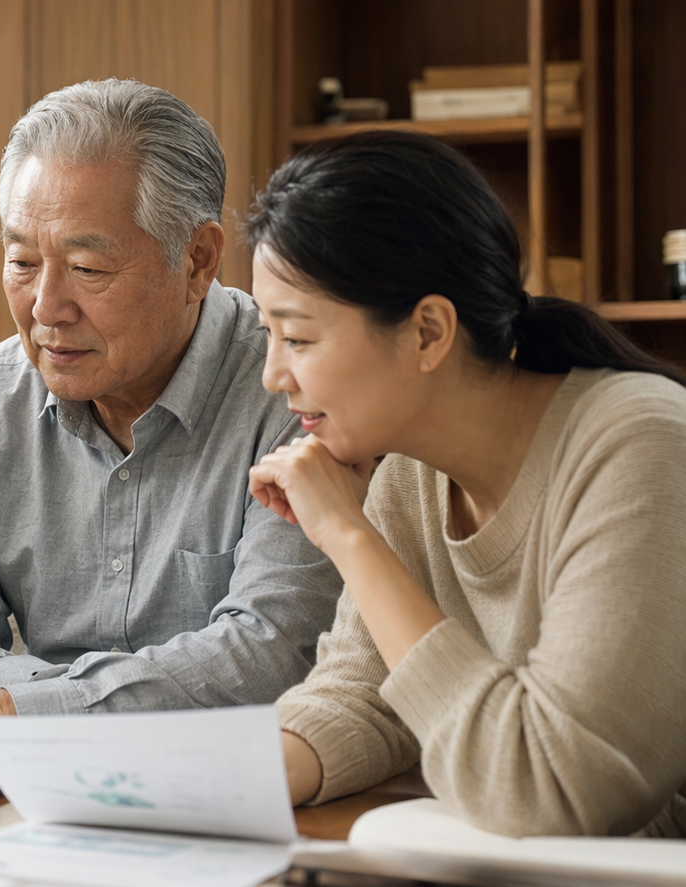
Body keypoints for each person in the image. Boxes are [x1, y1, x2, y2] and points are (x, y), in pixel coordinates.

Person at [0, 79, 343, 754]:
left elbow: (272, 654)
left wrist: (11, 709)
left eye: (86, 267)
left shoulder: (292, 394)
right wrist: (49, 707)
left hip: (233, 780)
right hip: (23, 784)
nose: (46, 307)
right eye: (22, 261)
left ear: (197, 261)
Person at [251, 131, 686, 838]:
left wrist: (351, 536)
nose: (274, 375)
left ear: (428, 331)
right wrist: (210, 781)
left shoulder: (641, 445)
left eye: (296, 337)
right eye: (268, 336)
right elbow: (366, 696)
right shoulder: (410, 473)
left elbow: (553, 788)